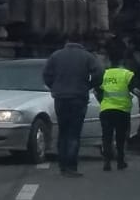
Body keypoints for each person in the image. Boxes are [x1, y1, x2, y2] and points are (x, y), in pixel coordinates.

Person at [42, 41, 102, 177]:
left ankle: (62, 165)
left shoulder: (56, 55)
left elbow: (46, 74)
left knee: (63, 131)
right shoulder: (87, 56)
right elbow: (99, 73)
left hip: (61, 98)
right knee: (74, 133)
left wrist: (55, 87)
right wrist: (88, 85)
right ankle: (71, 166)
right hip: (78, 97)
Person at [96, 58, 138, 172]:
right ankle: (120, 161)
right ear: (123, 64)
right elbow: (134, 89)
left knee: (106, 137)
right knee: (120, 137)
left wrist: (103, 101)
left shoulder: (104, 74)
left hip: (106, 109)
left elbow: (97, 90)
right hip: (122, 110)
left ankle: (106, 162)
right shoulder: (127, 74)